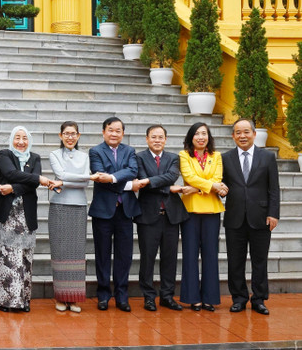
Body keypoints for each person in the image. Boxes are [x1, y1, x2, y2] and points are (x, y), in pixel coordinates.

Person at [0, 126, 59, 313]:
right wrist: (35, 178)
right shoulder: (4, 154)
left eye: (24, 138)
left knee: (24, 258)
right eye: (17, 137)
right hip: (7, 214)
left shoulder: (35, 157)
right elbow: (11, 174)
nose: (21, 141)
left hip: (26, 214)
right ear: (12, 139)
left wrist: (13, 188)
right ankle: (6, 301)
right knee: (6, 258)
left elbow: (33, 185)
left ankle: (23, 299)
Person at [222, 118, 280, 315]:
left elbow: (274, 188)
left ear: (254, 134)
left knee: (260, 260)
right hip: (234, 217)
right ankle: (238, 298)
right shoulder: (225, 158)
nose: (242, 136)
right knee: (235, 261)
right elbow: (220, 184)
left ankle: (259, 299)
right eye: (238, 132)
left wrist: (273, 213)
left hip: (261, 217)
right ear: (233, 136)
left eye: (246, 132)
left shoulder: (267, 157)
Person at [132, 125, 187, 312]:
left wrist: (149, 181)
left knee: (169, 258)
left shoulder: (173, 158)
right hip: (148, 216)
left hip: (171, 216)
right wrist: (168, 187)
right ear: (147, 139)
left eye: (160, 137)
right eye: (153, 137)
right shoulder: (138, 157)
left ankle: (167, 296)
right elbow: (141, 179)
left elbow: (172, 176)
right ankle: (148, 297)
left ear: (166, 139)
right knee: (147, 258)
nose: (157, 140)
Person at [88, 116, 140, 312]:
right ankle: (103, 295)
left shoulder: (130, 151)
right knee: (102, 254)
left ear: (123, 133)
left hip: (125, 211)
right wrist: (124, 181)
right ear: (103, 132)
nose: (114, 133)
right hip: (103, 211)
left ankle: (122, 295)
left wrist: (111, 177)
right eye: (110, 130)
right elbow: (99, 174)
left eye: (118, 130)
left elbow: (133, 170)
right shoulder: (95, 151)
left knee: (124, 256)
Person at [178, 122, 226, 312]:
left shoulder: (217, 156)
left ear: (209, 137)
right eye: (197, 133)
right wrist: (209, 187)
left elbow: (218, 178)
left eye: (204, 133)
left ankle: (209, 298)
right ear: (191, 137)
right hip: (190, 211)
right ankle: (192, 298)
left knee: (210, 255)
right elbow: (189, 177)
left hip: (212, 211)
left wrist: (199, 188)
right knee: (190, 255)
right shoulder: (184, 155)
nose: (200, 137)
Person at [48, 121, 96, 313]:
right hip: (59, 206)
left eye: (73, 134)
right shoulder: (54, 154)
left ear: (78, 135)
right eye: (66, 134)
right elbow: (61, 174)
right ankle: (60, 297)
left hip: (79, 206)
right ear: (60, 135)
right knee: (60, 252)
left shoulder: (84, 156)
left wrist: (66, 180)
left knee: (77, 253)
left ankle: (74, 299)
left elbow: (84, 182)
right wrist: (84, 177)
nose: (70, 137)